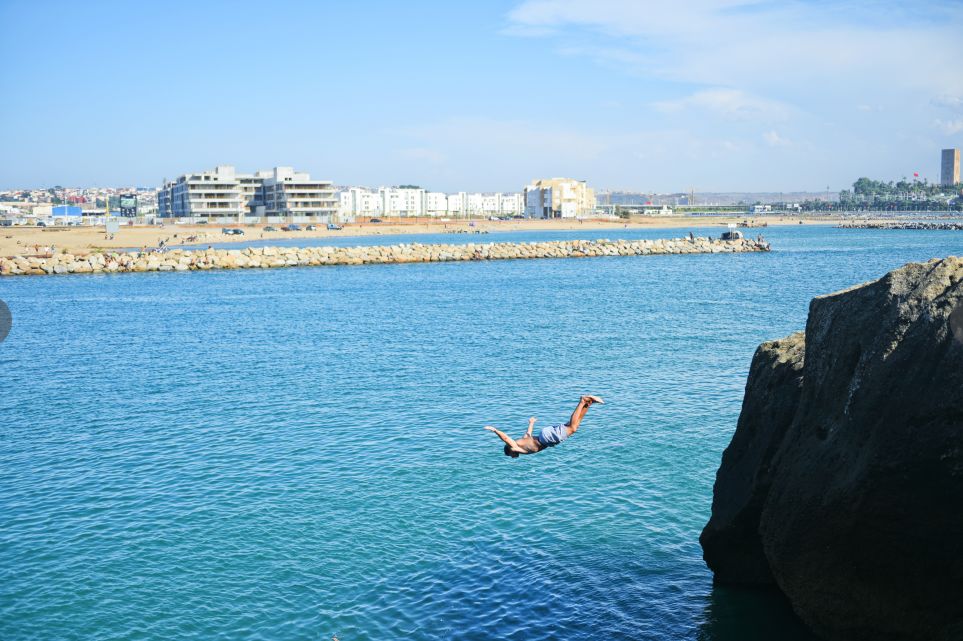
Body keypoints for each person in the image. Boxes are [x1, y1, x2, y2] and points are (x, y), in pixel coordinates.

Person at [485, 395, 604, 457]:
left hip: (546, 439)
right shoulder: (522, 444)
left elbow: (505, 438)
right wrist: (531, 423)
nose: (512, 457)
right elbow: (528, 434)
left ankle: (583, 401)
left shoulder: (515, 447)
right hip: (545, 436)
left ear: (510, 450)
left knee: (572, 428)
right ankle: (588, 404)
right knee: (574, 426)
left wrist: (495, 430)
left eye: (509, 455)